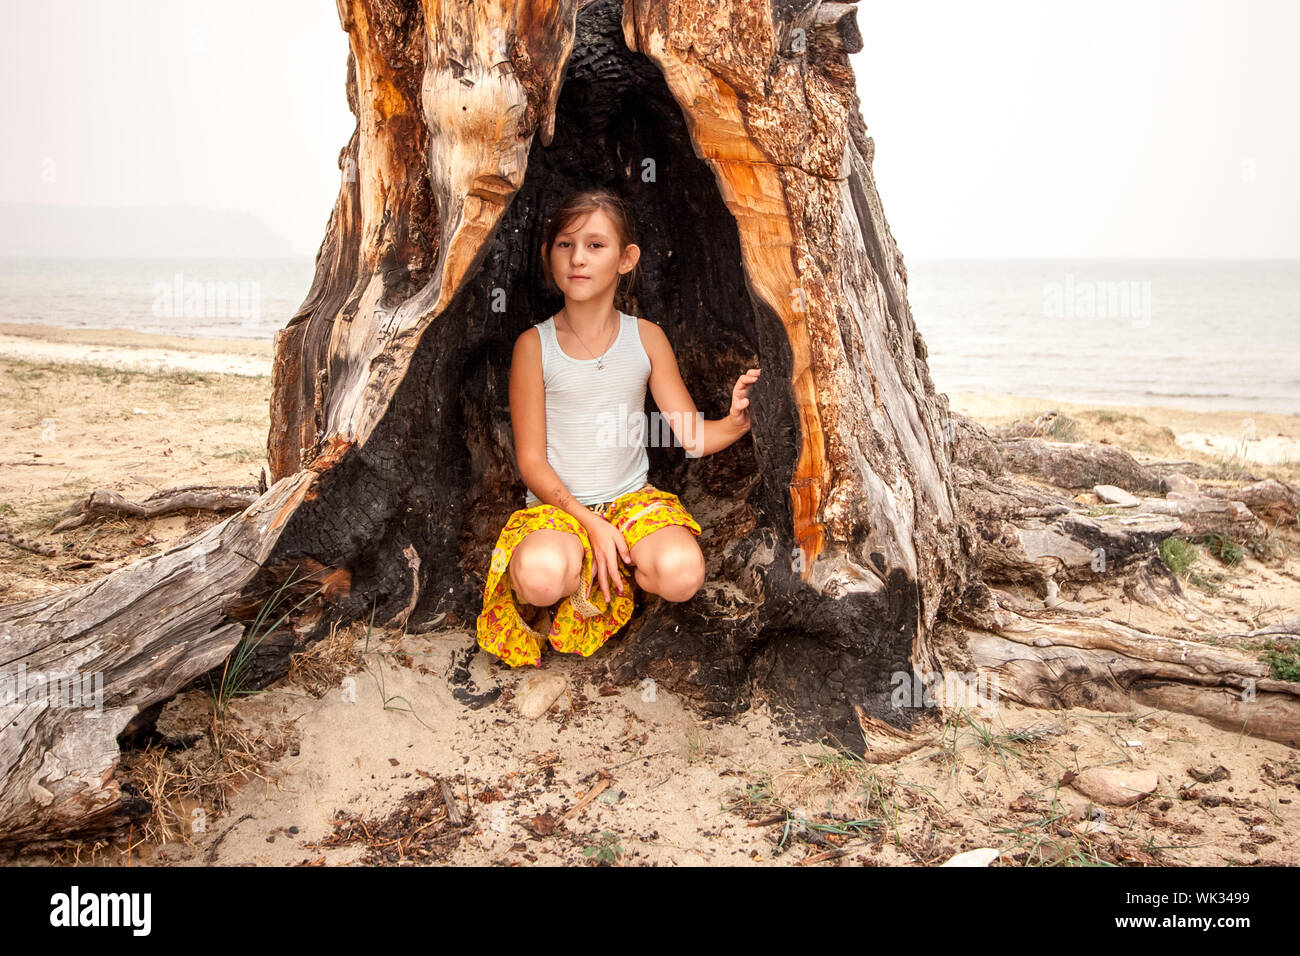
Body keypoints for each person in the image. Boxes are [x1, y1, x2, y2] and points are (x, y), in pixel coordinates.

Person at [475, 188, 761, 668]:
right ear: (550, 256)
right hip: (559, 510)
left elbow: (692, 436)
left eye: (595, 245)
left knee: (682, 573)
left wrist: (734, 421)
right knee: (540, 579)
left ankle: (613, 570)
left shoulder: (646, 338)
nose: (577, 259)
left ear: (626, 259)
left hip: (631, 502)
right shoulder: (534, 345)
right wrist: (591, 523)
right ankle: (585, 564)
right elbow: (531, 463)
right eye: (564, 245)